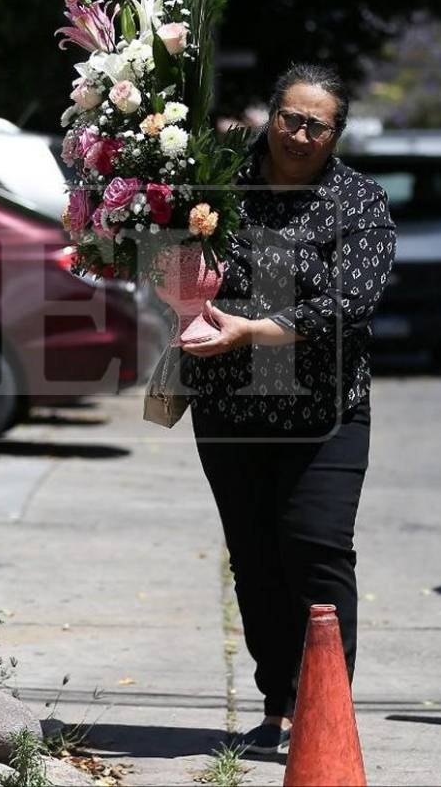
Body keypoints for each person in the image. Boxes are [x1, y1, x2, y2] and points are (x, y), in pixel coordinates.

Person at [181, 63, 396, 754]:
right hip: (229, 406)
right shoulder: (217, 184)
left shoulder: (359, 201)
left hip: (324, 411)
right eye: (290, 119)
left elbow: (351, 305)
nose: (301, 135)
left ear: (336, 134)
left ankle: (324, 708)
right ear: (269, 117)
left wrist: (255, 329)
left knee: (316, 549)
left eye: (318, 125)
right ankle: (279, 700)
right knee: (256, 557)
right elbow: (170, 258)